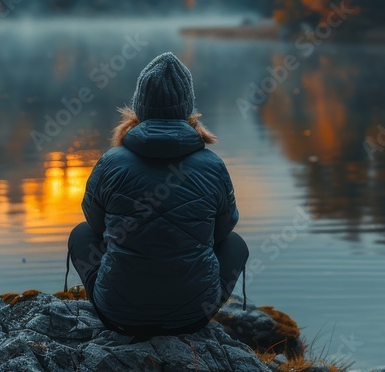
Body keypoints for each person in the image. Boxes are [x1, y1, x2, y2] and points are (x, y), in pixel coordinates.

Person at [65, 52, 249, 338]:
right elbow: (224, 230)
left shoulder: (111, 161)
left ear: (139, 106)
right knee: (235, 244)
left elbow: (96, 225)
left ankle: (120, 297)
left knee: (81, 234)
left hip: (117, 315)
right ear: (188, 107)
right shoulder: (213, 164)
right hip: (192, 317)